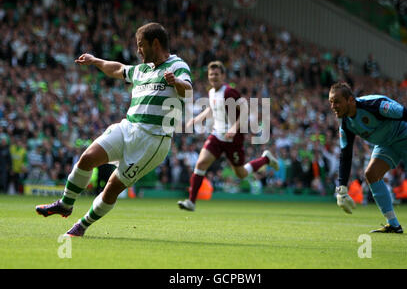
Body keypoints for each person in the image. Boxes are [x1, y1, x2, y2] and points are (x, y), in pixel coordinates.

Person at [36, 22, 193, 237]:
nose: (138, 50)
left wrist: (176, 83)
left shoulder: (176, 66)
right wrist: (95, 61)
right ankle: (65, 204)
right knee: (87, 158)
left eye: (141, 45)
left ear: (155, 44)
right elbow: (118, 68)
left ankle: (82, 225)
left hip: (153, 141)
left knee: (112, 188)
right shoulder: (141, 69)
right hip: (128, 126)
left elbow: (188, 90)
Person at [329, 82, 407, 233]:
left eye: (337, 101)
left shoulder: (375, 105)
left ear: (350, 100)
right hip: (387, 144)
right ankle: (393, 225)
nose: (333, 106)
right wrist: (342, 189)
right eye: (331, 102)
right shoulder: (345, 124)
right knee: (371, 174)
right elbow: (346, 155)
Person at [177, 61, 279, 211]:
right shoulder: (212, 92)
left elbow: (245, 110)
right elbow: (212, 108)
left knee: (241, 173)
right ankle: (191, 202)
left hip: (233, 139)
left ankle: (266, 159)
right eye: (211, 74)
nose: (213, 77)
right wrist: (197, 119)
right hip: (217, 135)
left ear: (223, 76)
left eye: (216, 74)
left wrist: (234, 127)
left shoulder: (229, 92)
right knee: (200, 164)